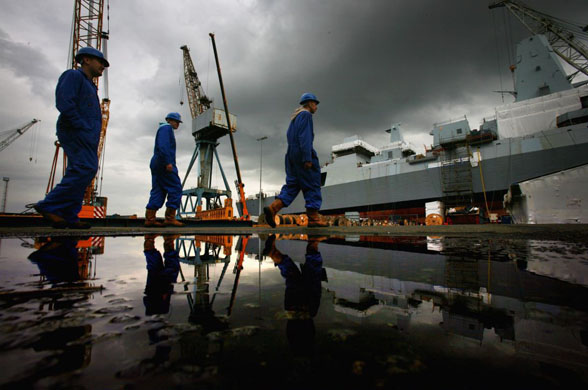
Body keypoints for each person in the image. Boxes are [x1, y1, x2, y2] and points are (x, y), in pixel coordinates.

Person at [33, 47, 109, 229]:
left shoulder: (91, 85)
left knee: (88, 169)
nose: (103, 67)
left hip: (87, 135)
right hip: (75, 130)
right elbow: (64, 102)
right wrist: (81, 125)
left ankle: (69, 215)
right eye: (100, 62)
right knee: (83, 167)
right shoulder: (73, 76)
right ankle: (49, 205)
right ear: (86, 60)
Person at [264, 93, 328, 228]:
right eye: (315, 103)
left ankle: (273, 208)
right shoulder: (306, 115)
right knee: (312, 183)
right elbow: (305, 138)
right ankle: (314, 218)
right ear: (309, 103)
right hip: (302, 153)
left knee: (293, 184)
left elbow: (290, 136)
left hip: (291, 155)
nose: (316, 107)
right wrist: (307, 158)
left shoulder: (295, 118)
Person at [145, 113, 185, 227]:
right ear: (169, 120)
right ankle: (170, 218)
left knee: (159, 189)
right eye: (176, 122)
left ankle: (150, 219)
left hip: (157, 163)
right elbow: (163, 146)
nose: (178, 124)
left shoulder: (163, 129)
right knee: (176, 187)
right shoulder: (166, 129)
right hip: (164, 163)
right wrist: (168, 162)